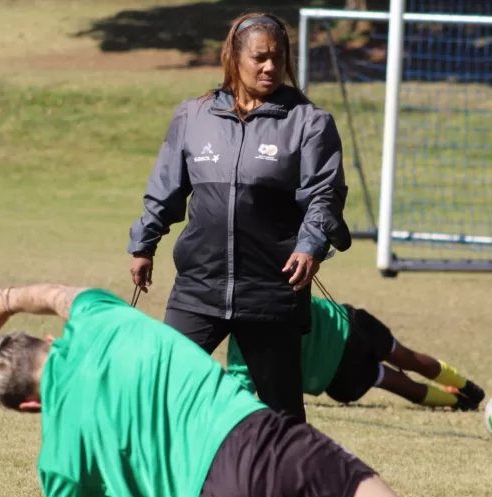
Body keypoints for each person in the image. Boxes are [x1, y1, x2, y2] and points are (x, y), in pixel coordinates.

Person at [0, 283, 434, 497]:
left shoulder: (60, 458)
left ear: (30, 407)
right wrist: (5, 299)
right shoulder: (96, 317)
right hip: (259, 446)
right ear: (50, 340)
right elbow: (57, 296)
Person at [126, 12, 351, 423]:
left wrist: (311, 244)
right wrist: (145, 243)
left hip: (272, 290)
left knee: (283, 416)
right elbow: (166, 186)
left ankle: (286, 469)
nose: (270, 67)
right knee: (160, 389)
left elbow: (325, 193)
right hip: (199, 286)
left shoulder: (309, 122)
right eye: (260, 57)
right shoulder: (193, 116)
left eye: (278, 58)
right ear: (234, 57)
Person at [225, 296, 487, 411]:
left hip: (335, 375)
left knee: (393, 382)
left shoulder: (242, 344)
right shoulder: (271, 283)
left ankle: (457, 402)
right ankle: (468, 389)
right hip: (349, 327)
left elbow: (240, 386)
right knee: (409, 359)